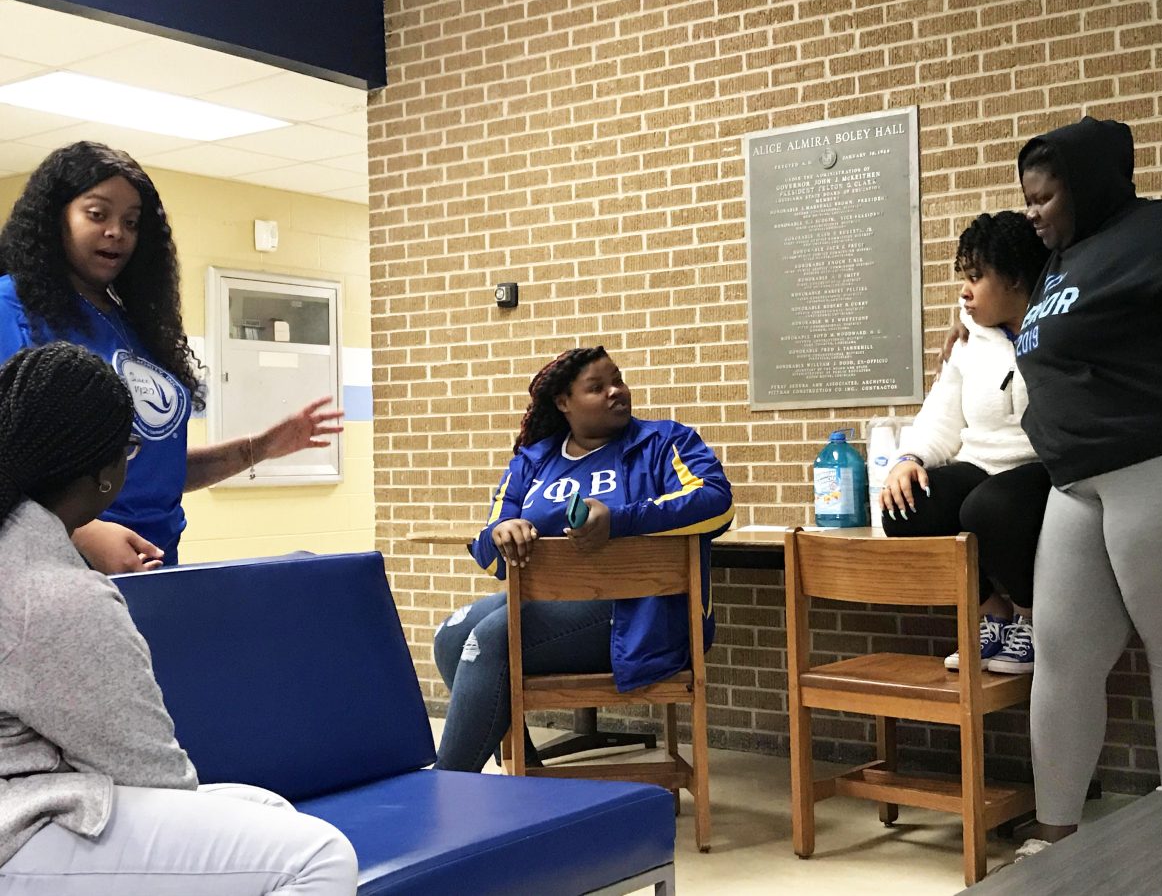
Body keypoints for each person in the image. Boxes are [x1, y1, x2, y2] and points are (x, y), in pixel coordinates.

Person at [0, 342, 357, 894]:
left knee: (267, 808)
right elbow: (153, 776)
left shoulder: (19, 550)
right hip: (18, 830)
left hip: (33, 795)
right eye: (132, 449)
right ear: (105, 473)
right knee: (318, 856)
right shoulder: (57, 595)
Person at [0, 141, 343, 573]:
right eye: (97, 214)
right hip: (58, 567)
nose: (116, 232)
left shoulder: (133, 324)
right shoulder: (11, 307)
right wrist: (80, 533)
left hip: (157, 562)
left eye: (131, 222)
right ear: (56, 219)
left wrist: (260, 448)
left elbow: (157, 471)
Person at [1010, 116, 1162, 856]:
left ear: (1087, 187)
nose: (1033, 212)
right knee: (1060, 655)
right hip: (1075, 480)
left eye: (1045, 197)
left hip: (1161, 465)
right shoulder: (1063, 258)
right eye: (1027, 198)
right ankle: (1054, 839)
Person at [432, 346, 735, 772]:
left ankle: (447, 786)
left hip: (639, 614)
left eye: (618, 381)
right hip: (549, 604)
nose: (616, 392)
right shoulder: (533, 461)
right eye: (597, 387)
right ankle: (525, 771)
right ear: (563, 403)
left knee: (493, 638)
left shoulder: (664, 441)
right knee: (451, 634)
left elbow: (716, 502)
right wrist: (503, 535)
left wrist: (621, 520)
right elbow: (491, 549)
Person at [882, 212, 1050, 674]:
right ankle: (990, 611)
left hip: (1039, 467)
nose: (964, 291)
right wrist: (908, 459)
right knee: (906, 505)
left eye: (977, 278)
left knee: (988, 507)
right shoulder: (967, 341)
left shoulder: (1057, 330)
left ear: (1016, 279)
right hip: (980, 465)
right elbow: (942, 414)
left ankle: (1031, 619)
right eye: (964, 277)